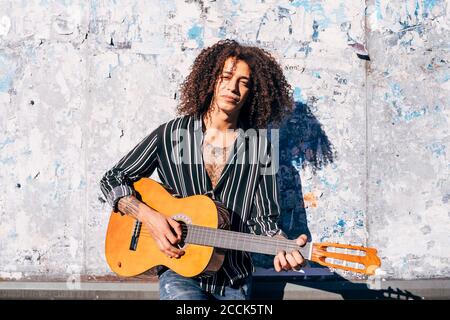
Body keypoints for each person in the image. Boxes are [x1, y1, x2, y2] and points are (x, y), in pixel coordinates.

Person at [99, 39, 308, 300]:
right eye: (226, 76)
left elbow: (263, 219)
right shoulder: (173, 135)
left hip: (234, 278)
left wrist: (281, 244)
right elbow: (112, 178)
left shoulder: (259, 148)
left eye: (244, 82)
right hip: (180, 273)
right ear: (211, 80)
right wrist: (150, 218)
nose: (233, 87)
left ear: (253, 93)